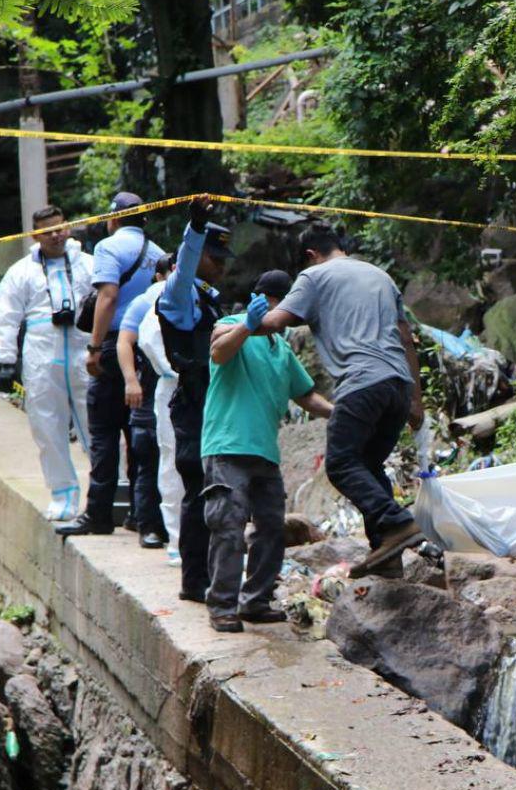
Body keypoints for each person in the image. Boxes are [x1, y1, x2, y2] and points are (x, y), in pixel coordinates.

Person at [257, 223, 425, 578]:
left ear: (310, 255)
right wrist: (415, 400)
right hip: (396, 386)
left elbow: (273, 322)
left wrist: (236, 325)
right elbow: (407, 340)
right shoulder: (381, 277)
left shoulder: (314, 276)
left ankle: (397, 521)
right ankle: (387, 553)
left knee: (341, 463)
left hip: (362, 383)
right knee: (369, 464)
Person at [203, 276, 333, 632]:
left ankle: (255, 600)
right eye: (277, 304)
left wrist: (338, 412)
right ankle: (222, 605)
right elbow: (219, 351)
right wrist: (247, 324)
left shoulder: (282, 348)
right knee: (229, 526)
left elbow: (305, 394)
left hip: (265, 452)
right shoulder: (231, 325)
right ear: (262, 301)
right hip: (227, 444)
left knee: (272, 527)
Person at [58, 192, 164, 536]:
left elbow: (108, 296)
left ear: (113, 219)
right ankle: (141, 513)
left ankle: (99, 514)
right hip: (147, 349)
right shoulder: (159, 253)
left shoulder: (108, 248)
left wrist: (93, 347)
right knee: (141, 432)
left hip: (114, 343)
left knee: (103, 431)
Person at [0, 205, 94, 520]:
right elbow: (6, 316)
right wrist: (7, 361)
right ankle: (63, 495)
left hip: (83, 349)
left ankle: (110, 490)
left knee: (98, 423)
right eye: (48, 231)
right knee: (47, 426)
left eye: (60, 228)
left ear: (68, 227)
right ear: (35, 234)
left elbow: (106, 303)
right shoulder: (22, 272)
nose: (56, 235)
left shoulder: (89, 265)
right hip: (42, 354)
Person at [154, 197, 234, 602]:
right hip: (192, 405)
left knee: (218, 489)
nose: (221, 264)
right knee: (197, 490)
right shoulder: (178, 296)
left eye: (223, 257)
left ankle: (213, 576)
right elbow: (183, 270)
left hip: (213, 404)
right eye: (212, 256)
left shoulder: (210, 298)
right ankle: (194, 581)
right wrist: (195, 228)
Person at [115, 253, 182, 551]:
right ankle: (149, 526)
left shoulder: (196, 297)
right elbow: (124, 341)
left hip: (183, 383)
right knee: (148, 457)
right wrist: (131, 380)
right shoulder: (145, 301)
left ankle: (176, 528)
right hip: (151, 383)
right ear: (160, 275)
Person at [139, 254, 185, 565]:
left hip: (204, 386)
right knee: (172, 462)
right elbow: (148, 341)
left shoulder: (205, 292)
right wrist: (179, 372)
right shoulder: (158, 298)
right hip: (175, 387)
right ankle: (177, 539)